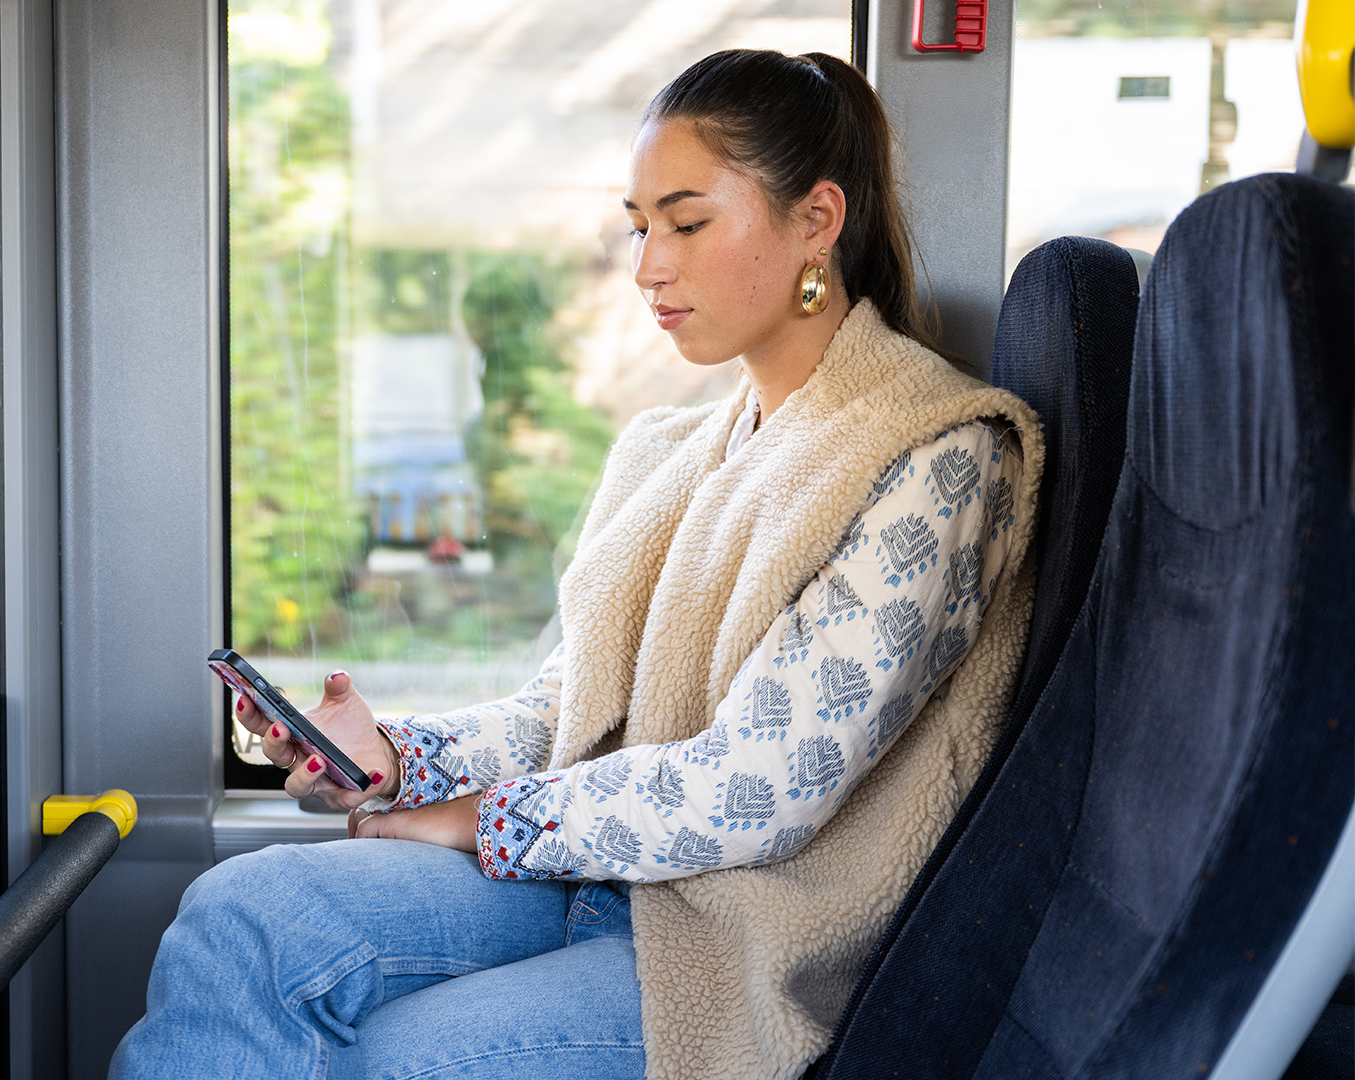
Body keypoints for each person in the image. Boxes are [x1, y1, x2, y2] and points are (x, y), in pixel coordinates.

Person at [111, 49, 1044, 1080]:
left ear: (817, 221)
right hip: (597, 878)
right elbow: (570, 711)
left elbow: (763, 787)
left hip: (743, 948)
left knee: (395, 1059)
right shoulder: (671, 450)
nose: (649, 265)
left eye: (687, 224)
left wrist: (474, 822)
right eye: (641, 226)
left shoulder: (941, 456)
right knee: (241, 913)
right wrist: (396, 757)